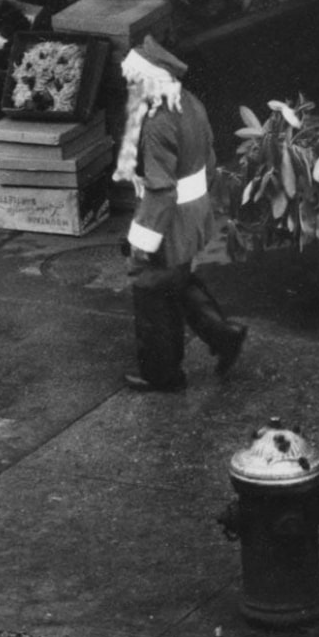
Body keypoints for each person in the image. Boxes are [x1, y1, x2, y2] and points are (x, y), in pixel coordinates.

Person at [113, 35, 247, 392]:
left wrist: (142, 241)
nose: (131, 84)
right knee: (178, 281)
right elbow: (211, 160)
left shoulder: (158, 125)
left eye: (135, 78)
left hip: (167, 224)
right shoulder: (191, 104)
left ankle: (162, 375)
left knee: (151, 292)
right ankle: (223, 335)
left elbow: (160, 190)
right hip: (194, 215)